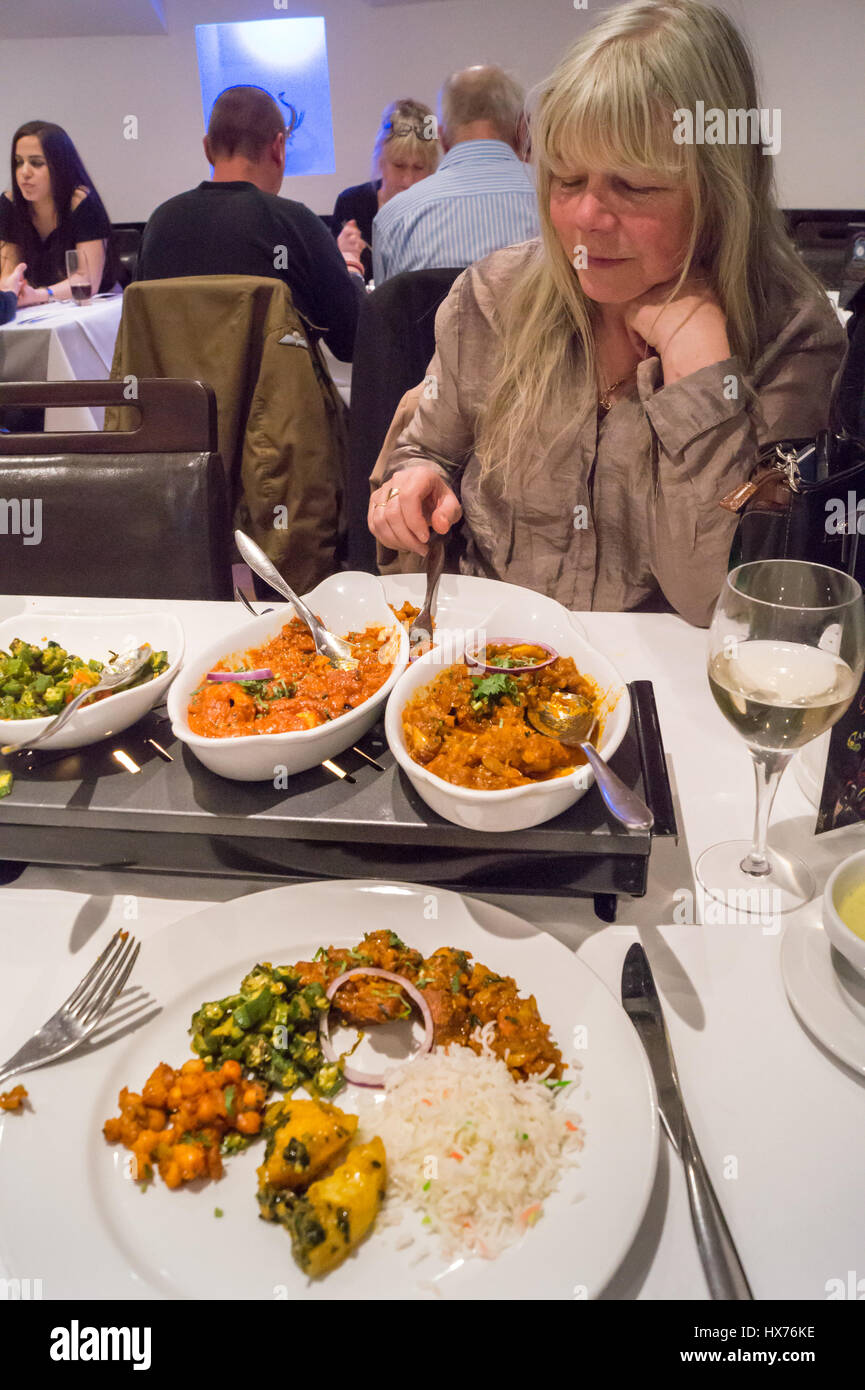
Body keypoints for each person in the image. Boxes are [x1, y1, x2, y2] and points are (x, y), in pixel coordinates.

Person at [369, 0, 846, 627]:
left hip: (666, 698)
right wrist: (415, 480)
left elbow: (722, 602)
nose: (586, 220)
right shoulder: (491, 298)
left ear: (723, 189)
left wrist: (701, 372)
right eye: (566, 180)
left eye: (636, 186)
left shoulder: (793, 335)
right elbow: (422, 452)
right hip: (488, 672)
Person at [138, 86, 365, 361]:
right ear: (279, 148)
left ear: (208, 149)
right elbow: (352, 342)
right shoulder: (295, 224)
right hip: (278, 403)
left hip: (182, 402)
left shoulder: (159, 224)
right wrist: (350, 264)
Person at [372, 65, 539, 284]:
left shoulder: (393, 221)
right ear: (522, 130)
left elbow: (387, 315)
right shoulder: (556, 199)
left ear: (442, 137)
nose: (407, 178)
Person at [0, 121, 117, 304]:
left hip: (96, 305)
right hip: (39, 305)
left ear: (60, 166)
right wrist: (12, 289)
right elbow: (8, 274)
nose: (24, 172)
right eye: (18, 162)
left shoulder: (82, 203)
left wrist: (39, 295)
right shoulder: (10, 205)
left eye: (36, 163)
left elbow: (87, 282)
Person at [332, 98, 439, 281]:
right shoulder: (351, 203)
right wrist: (340, 256)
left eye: (419, 168)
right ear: (381, 161)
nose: (408, 180)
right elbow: (333, 288)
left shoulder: (440, 210)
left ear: (431, 168)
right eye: (399, 166)